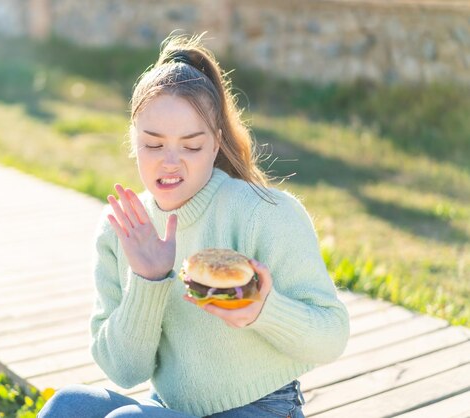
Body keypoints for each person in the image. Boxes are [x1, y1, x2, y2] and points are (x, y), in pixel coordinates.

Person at [38, 32, 349, 418]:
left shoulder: (265, 214)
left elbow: (332, 337)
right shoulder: (122, 229)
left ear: (216, 144)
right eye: (153, 144)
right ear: (134, 141)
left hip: (262, 409)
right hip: (171, 407)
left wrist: (262, 309)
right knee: (68, 406)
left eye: (191, 145)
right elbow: (124, 370)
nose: (170, 162)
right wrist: (148, 279)